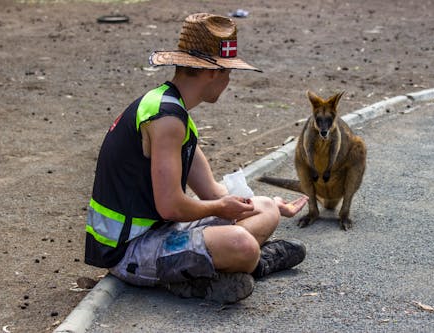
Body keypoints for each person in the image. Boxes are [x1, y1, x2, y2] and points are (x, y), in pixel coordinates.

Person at [84, 12, 308, 304]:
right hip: (128, 250)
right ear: (212, 71)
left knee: (264, 207)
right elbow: (171, 207)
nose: (229, 80)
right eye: (228, 72)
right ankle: (256, 263)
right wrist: (220, 208)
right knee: (242, 244)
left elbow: (212, 192)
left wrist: (270, 206)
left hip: (159, 233)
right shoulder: (167, 120)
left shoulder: (174, 111)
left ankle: (222, 270)